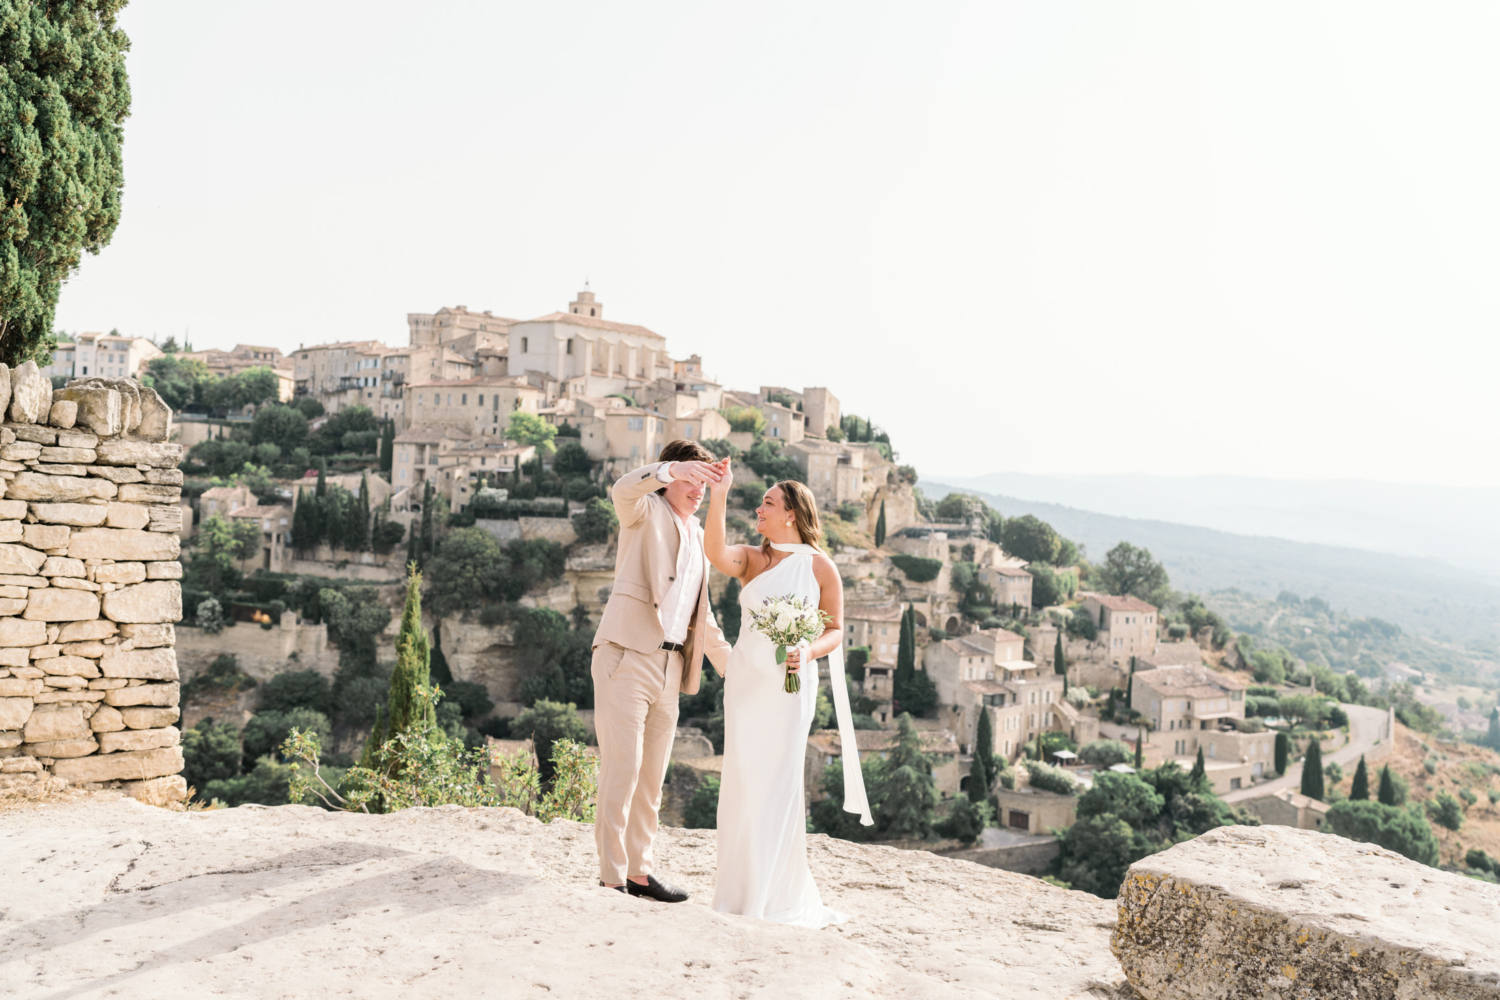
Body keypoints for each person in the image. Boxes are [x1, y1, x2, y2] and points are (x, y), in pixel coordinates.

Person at [703, 461, 873, 926]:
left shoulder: (822, 567)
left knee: (776, 785)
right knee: (741, 783)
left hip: (789, 691)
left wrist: (807, 648)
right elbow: (714, 550)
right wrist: (719, 494)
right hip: (744, 689)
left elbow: (835, 630)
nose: (759, 509)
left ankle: (773, 896)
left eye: (768, 503)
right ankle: (738, 894)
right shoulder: (754, 560)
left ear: (792, 515)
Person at [591, 440, 732, 902]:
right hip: (625, 655)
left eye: (703, 482)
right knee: (622, 769)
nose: (697, 489)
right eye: (691, 479)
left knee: (652, 777)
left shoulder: (697, 535)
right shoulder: (644, 511)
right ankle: (612, 877)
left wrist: (735, 669)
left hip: (672, 667)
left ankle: (640, 872)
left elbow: (701, 618)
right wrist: (671, 469)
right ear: (673, 476)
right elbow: (621, 489)